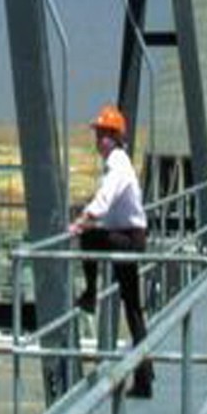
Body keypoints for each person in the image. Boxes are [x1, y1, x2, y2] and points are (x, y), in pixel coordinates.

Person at [68, 103, 152, 397]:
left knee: (89, 239)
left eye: (104, 134)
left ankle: (91, 293)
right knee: (132, 307)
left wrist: (82, 222)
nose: (98, 140)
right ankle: (145, 377)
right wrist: (91, 218)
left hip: (129, 239)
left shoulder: (117, 164)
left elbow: (104, 199)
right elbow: (110, 207)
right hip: (129, 236)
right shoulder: (118, 163)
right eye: (98, 134)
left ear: (116, 137)